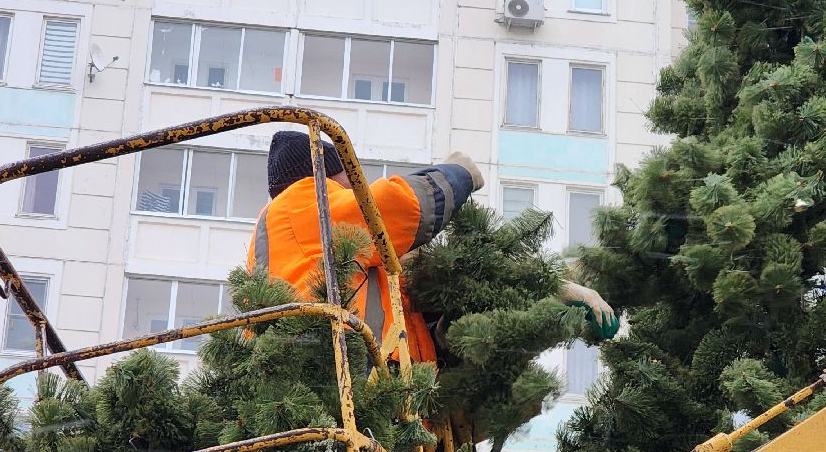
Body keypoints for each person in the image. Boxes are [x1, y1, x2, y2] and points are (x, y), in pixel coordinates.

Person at [247, 130, 619, 366]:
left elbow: (422, 297)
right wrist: (457, 173)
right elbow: (399, 204)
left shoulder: (333, 256)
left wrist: (548, 289)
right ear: (327, 174)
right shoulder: (302, 204)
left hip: (377, 391)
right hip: (353, 381)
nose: (354, 181)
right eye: (348, 173)